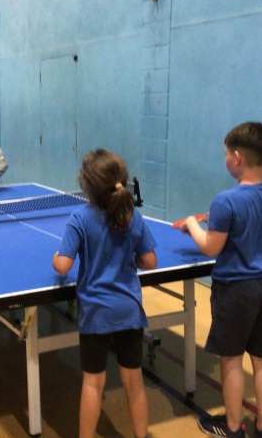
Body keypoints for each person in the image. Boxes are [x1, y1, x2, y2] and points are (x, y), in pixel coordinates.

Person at [52, 149, 157, 438]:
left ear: (86, 185)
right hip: (129, 310)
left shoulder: (80, 218)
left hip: (96, 312)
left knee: (93, 383)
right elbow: (150, 261)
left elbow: (63, 266)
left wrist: (56, 258)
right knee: (134, 381)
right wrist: (127, 259)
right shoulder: (133, 216)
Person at [180, 122, 262, 438]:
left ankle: (232, 427)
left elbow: (211, 247)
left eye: (226, 154)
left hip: (236, 289)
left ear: (237, 157)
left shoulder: (226, 200)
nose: (225, 159)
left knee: (231, 360)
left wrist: (192, 224)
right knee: (260, 359)